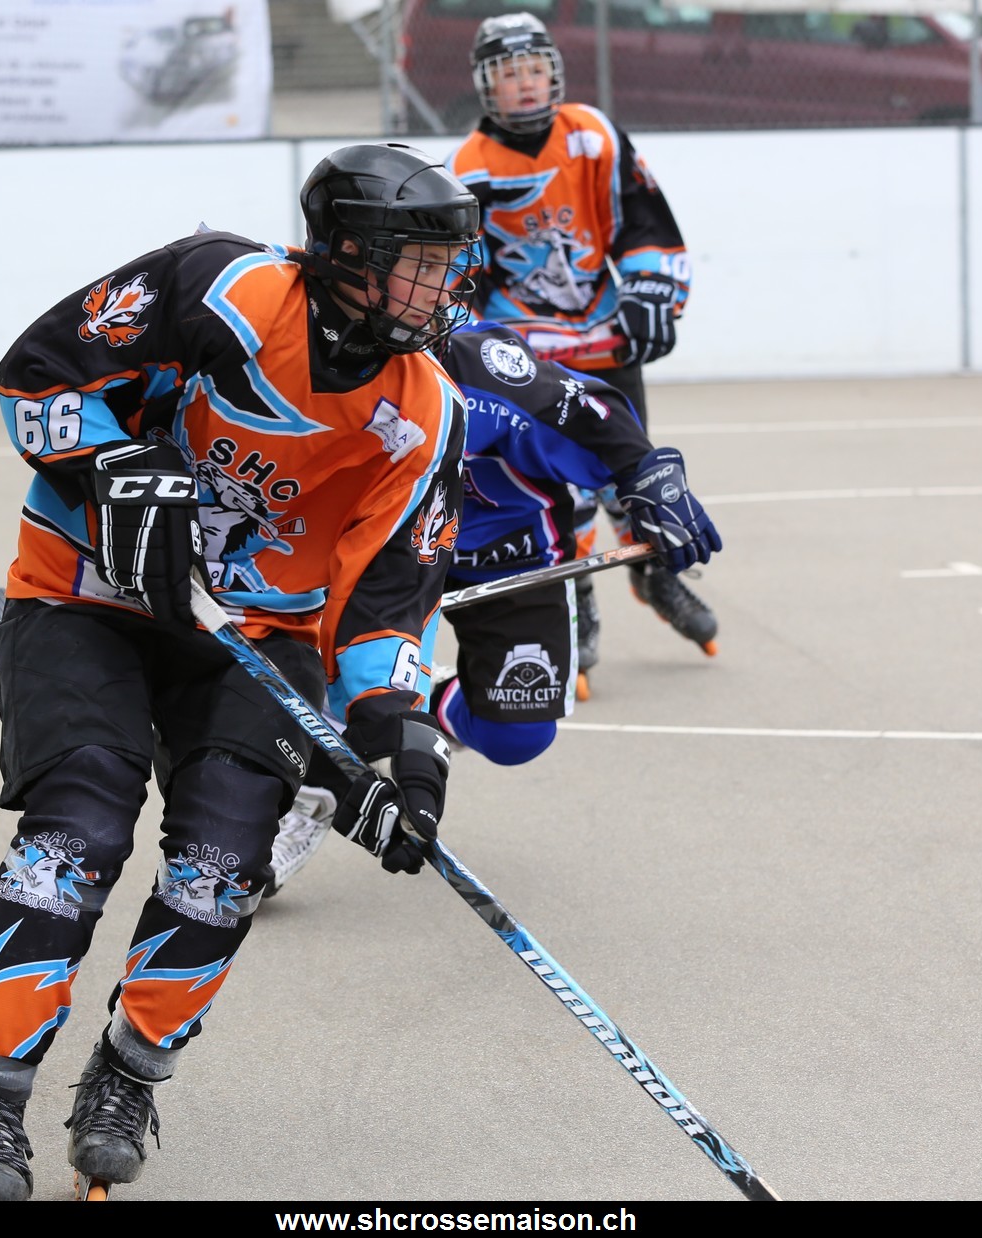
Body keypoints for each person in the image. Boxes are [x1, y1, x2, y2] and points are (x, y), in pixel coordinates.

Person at [0, 142, 480, 1202]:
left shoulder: (423, 417)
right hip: (84, 594)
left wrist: (397, 747)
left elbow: (381, 607)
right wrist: (116, 467)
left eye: (447, 264)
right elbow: (38, 375)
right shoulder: (218, 287)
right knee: (78, 826)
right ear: (350, 256)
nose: (442, 285)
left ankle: (127, 1077)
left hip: (256, 635)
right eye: (421, 263)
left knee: (223, 861)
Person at [263, 318, 721, 893]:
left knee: (516, 736)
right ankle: (318, 786)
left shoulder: (485, 371)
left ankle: (427, 700)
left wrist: (647, 475)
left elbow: (585, 410)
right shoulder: (310, 372)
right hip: (385, 553)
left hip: (505, 550)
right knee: (351, 688)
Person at [445, 11, 719, 684]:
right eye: (510, 73)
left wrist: (652, 290)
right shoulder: (467, 168)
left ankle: (655, 575)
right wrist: (470, 349)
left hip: (604, 341)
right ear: (485, 84)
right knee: (564, 493)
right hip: (527, 356)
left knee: (635, 474)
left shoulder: (593, 135)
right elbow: (463, 277)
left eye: (536, 69)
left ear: (555, 74)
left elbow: (644, 221)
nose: (525, 84)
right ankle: (580, 599)